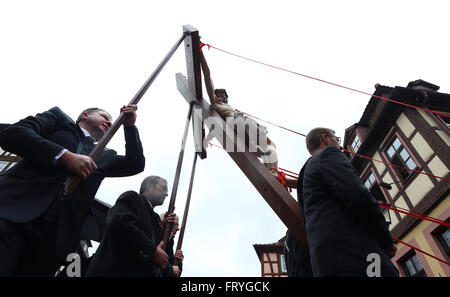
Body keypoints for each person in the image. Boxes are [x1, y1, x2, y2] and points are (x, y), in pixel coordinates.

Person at [0, 105, 145, 276]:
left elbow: (135, 163)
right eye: (104, 116)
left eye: (112, 121)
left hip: (52, 240)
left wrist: (129, 126)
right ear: (85, 115)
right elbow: (12, 134)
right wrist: (64, 156)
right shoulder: (59, 120)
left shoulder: (104, 156)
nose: (109, 122)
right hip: (14, 213)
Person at [300, 127, 399, 277]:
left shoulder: (304, 175)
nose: (340, 147)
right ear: (325, 138)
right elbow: (359, 197)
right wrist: (386, 240)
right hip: (357, 255)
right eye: (337, 139)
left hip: (325, 265)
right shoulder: (328, 154)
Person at [200, 52, 297, 189]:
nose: (222, 98)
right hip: (237, 124)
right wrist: (201, 54)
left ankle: (273, 172)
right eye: (219, 96)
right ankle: (259, 153)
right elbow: (207, 76)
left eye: (224, 96)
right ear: (215, 96)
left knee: (271, 145)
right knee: (257, 147)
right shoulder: (216, 105)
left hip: (247, 123)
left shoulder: (230, 106)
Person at [86, 176, 183, 277]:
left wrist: (167, 233)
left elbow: (162, 257)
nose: (166, 194)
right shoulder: (132, 198)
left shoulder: (156, 221)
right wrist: (152, 251)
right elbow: (120, 224)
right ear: (149, 186)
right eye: (163, 188)